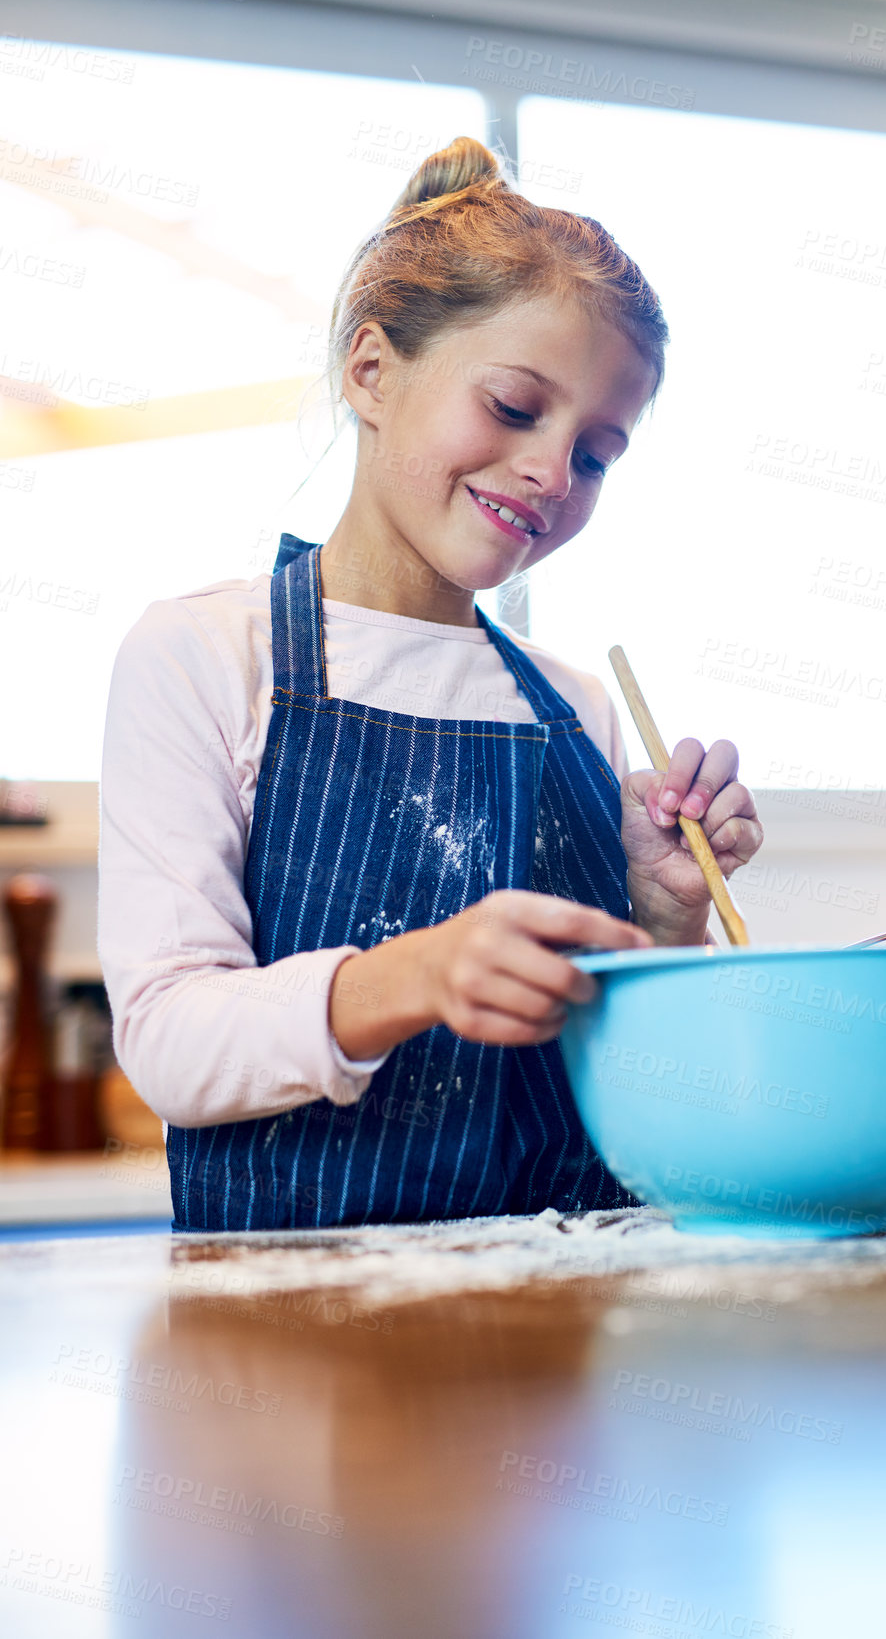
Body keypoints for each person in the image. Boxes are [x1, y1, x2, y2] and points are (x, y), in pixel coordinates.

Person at [97, 136, 763, 1231]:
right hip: (299, 1345)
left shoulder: (573, 706)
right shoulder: (206, 655)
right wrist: (416, 977)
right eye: (512, 407)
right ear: (371, 370)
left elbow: (621, 1065)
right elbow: (170, 1040)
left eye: (597, 454)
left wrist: (660, 915)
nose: (553, 473)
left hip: (565, 1332)